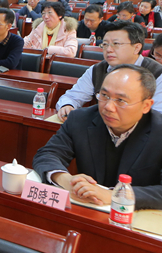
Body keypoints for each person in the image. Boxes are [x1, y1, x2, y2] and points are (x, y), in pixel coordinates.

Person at [33, 65, 162, 209]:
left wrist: (114, 195)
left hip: (138, 215)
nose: (108, 107)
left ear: (146, 105)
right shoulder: (80, 119)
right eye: (104, 95)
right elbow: (47, 154)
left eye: (121, 100)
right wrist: (67, 180)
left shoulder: (158, 131)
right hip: (86, 209)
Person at [56, 21, 162, 121]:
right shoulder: (97, 70)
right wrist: (67, 105)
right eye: (105, 44)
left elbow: (157, 116)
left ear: (137, 48)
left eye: (116, 44)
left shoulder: (157, 73)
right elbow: (72, 96)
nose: (109, 49)